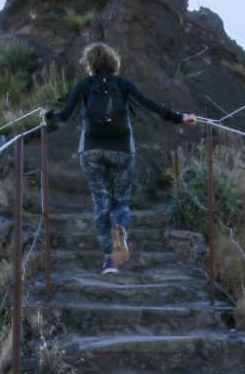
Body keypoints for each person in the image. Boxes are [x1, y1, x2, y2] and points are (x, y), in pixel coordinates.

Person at [43, 42, 197, 275]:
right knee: (121, 199)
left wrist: (47, 115)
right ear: (113, 62)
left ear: (90, 64)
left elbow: (64, 116)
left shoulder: (84, 86)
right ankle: (121, 227)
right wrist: (180, 117)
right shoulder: (123, 84)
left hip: (92, 150)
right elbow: (149, 106)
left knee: (101, 203)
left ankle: (110, 262)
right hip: (122, 149)